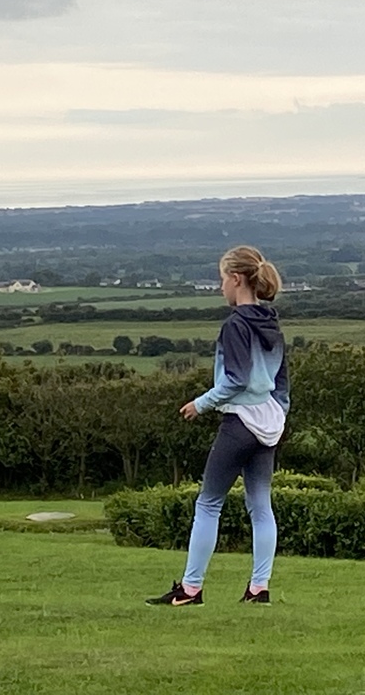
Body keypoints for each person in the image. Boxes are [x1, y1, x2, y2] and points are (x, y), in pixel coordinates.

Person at [147, 246, 289, 606]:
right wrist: (280, 413)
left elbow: (236, 380)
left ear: (236, 279)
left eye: (222, 279)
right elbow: (282, 381)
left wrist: (201, 403)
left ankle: (190, 590)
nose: (221, 287)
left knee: (209, 504)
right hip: (269, 423)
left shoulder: (235, 325)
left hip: (239, 422)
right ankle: (259, 589)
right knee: (260, 506)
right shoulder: (270, 321)